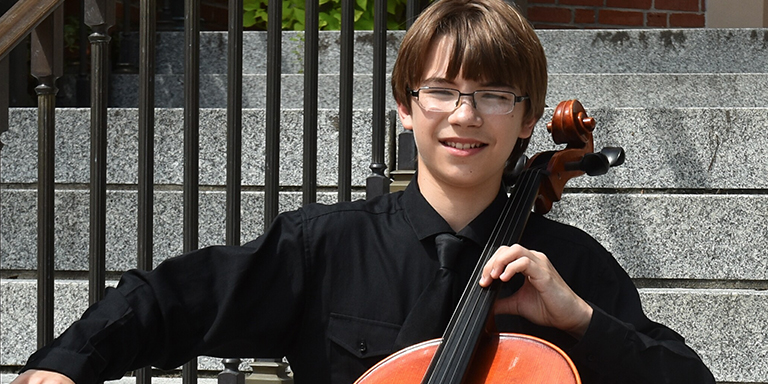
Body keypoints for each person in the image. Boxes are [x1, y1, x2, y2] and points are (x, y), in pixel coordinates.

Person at [13, 0, 715, 383]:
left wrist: (577, 320)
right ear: (406, 106)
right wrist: (67, 368)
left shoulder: (574, 268)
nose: (465, 115)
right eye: (440, 91)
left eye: (493, 95)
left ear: (528, 117)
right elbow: (167, 299)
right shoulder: (323, 246)